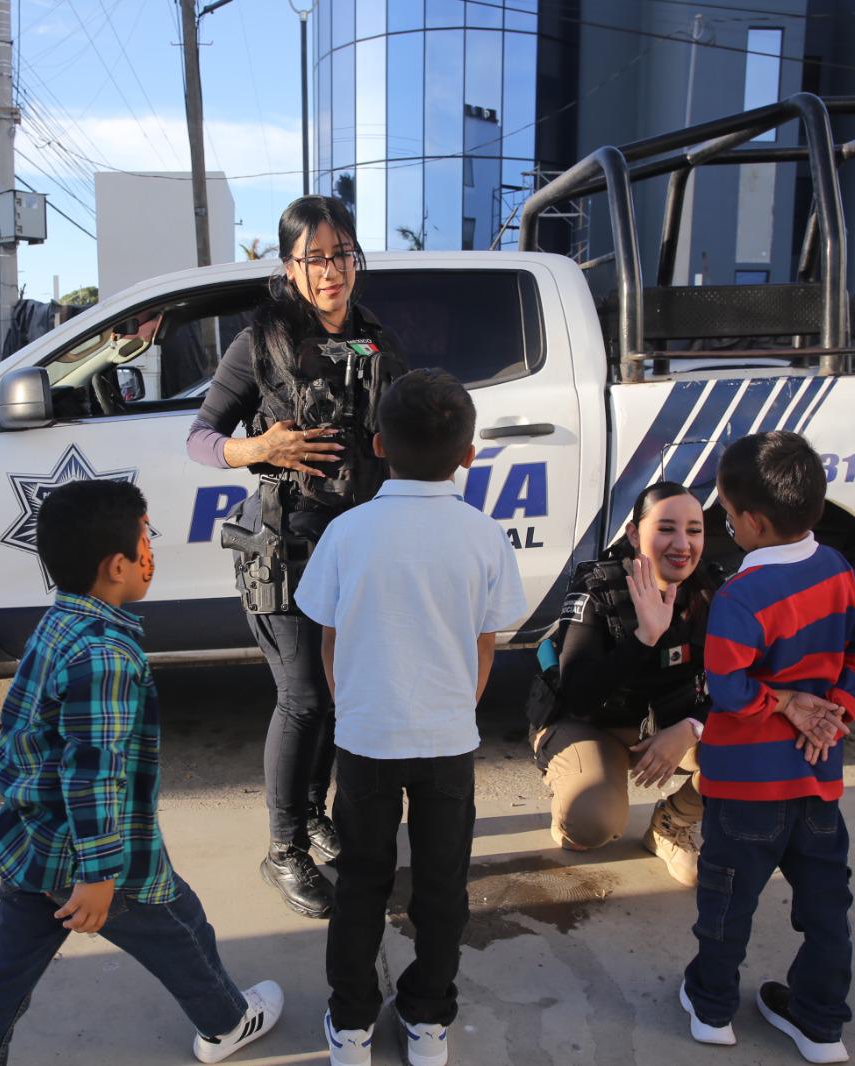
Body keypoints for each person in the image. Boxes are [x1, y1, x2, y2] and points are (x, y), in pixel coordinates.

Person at [0, 480, 282, 1066]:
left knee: (2, 981)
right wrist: (97, 876)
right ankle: (226, 1022)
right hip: (97, 859)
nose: (152, 552)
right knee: (178, 929)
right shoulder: (104, 656)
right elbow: (93, 775)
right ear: (118, 565)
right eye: (146, 541)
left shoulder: (58, 625)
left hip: (35, 842)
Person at [294, 370, 527, 1066]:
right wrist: (456, 707)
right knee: (441, 882)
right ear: (469, 455)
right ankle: (427, 1019)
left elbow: (329, 639)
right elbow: (484, 644)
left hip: (365, 738)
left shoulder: (347, 531)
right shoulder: (484, 537)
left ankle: (353, 1024)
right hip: (448, 740)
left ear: (376, 445)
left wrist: (354, 707)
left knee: (361, 880)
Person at [186, 195, 407, 918]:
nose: (333, 270)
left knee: (341, 701)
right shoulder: (261, 343)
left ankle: (315, 815)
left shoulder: (377, 337)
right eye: (316, 257)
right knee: (305, 697)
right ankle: (283, 847)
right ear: (291, 267)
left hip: (359, 541)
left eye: (343, 253)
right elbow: (200, 438)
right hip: (285, 540)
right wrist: (261, 449)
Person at [680, 430, 855, 1065]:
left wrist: (782, 702)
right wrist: (837, 709)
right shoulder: (837, 568)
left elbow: (729, 687)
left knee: (726, 900)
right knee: (827, 908)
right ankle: (821, 1023)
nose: (723, 522)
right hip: (818, 778)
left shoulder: (740, 596)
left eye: (723, 510)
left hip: (745, 785)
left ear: (750, 521)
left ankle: (712, 1008)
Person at [530, 481, 722, 887]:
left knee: (758, 746)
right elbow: (578, 695)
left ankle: (671, 825)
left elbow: (738, 685)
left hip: (666, 729)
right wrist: (644, 638)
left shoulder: (711, 592)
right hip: (589, 725)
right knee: (590, 826)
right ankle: (576, 788)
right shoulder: (597, 585)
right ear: (635, 534)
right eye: (666, 529)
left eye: (694, 529)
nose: (682, 544)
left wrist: (691, 728)